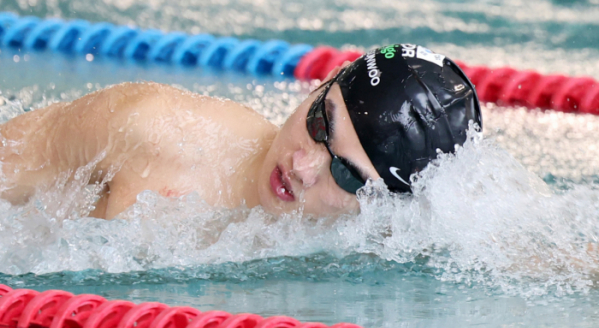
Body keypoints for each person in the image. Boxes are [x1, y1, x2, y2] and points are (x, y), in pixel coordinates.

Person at [0, 44, 481, 219]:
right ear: (320, 84)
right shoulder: (148, 128)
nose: (302, 165)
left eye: (347, 175)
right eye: (319, 123)